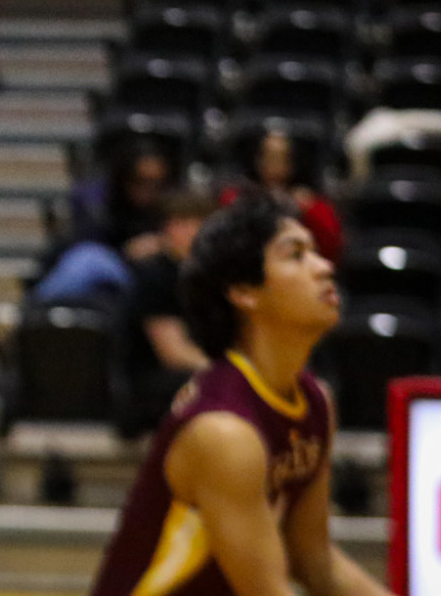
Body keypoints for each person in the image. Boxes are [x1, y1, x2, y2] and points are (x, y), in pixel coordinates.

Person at [90, 194, 386, 596]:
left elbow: (314, 560)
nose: (325, 267)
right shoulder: (225, 434)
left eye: (316, 252)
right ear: (245, 292)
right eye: (296, 256)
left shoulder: (315, 400)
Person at [114, 190, 214, 438]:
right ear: (168, 229)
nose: (193, 232)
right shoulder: (155, 275)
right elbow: (172, 352)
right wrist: (230, 370)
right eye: (182, 224)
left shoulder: (208, 276)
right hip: (147, 387)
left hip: (183, 375)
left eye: (199, 224)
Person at [34, 143, 177, 306]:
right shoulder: (104, 204)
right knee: (87, 260)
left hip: (162, 272)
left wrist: (163, 243)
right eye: (142, 181)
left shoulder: (173, 205)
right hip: (117, 266)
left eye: (157, 182)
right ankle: (36, 308)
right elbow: (88, 242)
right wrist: (127, 251)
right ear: (125, 178)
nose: (149, 189)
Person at [219, 128, 341, 265]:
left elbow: (331, 251)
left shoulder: (310, 203)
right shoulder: (237, 198)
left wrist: (309, 211)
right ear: (257, 159)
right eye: (269, 156)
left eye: (282, 157)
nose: (275, 165)